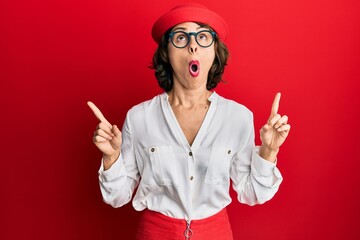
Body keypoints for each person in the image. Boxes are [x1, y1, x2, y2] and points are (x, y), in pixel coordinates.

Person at [87, 3, 290, 240]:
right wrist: (111, 158)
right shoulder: (139, 117)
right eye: (181, 37)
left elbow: (253, 193)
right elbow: (117, 196)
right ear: (167, 52)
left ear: (214, 51)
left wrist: (269, 151)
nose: (193, 45)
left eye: (203, 36)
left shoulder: (238, 117)